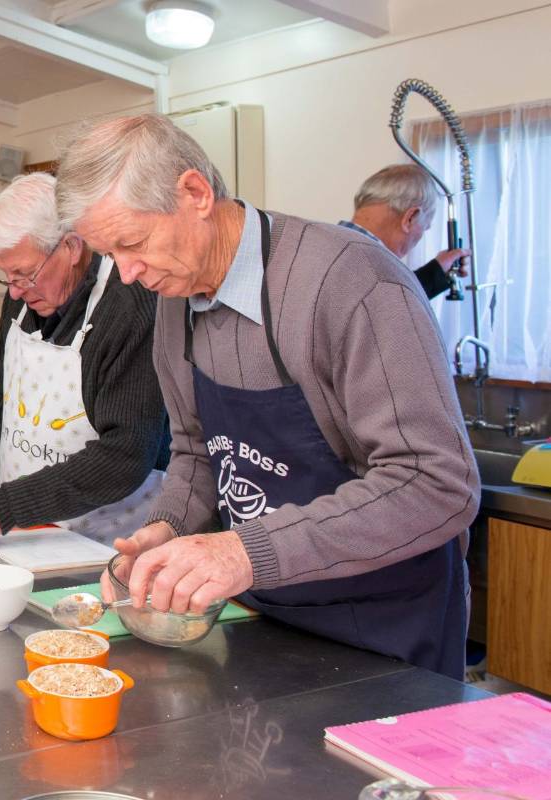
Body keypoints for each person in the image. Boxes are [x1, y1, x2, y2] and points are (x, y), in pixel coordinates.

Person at [60, 114, 477, 679]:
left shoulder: (350, 282)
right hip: (266, 618)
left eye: (132, 244)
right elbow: (196, 452)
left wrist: (241, 551)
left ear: (195, 193)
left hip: (382, 624)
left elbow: (436, 484)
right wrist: (169, 527)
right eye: (112, 255)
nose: (128, 274)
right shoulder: (175, 297)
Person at [0, 173, 168, 557]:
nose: (15, 290)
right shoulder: (24, 297)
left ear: (71, 247)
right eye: (7, 276)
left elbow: (126, 453)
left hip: (111, 544)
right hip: (22, 534)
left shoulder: (129, 306)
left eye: (25, 274)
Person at [339, 164, 469, 299]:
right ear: (410, 218)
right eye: (425, 227)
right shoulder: (372, 269)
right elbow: (387, 308)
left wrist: (436, 272)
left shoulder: (327, 250)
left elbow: (387, 301)